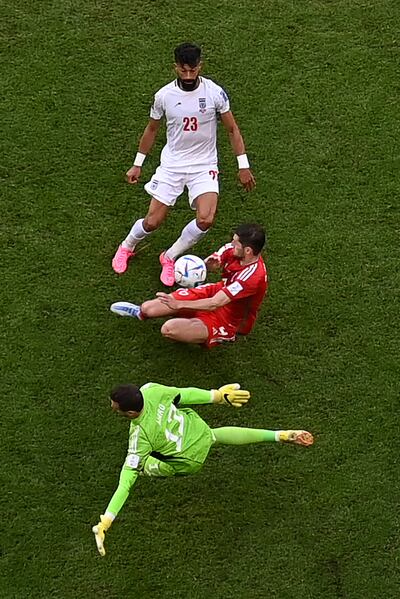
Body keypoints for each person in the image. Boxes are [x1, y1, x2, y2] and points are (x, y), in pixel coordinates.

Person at [92, 381, 314, 556]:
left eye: (116, 409)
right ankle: (279, 435)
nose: (113, 409)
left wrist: (106, 520)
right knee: (213, 435)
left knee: (139, 467)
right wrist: (217, 396)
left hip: (189, 461)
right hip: (198, 429)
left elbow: (125, 482)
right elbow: (184, 394)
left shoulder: (139, 437)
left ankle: (150, 468)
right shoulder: (151, 390)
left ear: (130, 414)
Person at [112, 42, 256, 286]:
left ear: (201, 66)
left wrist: (243, 165)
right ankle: (127, 246)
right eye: (184, 70)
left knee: (206, 219)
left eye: (193, 70)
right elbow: (152, 129)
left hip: (203, 165)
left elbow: (232, 129)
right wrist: (138, 164)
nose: (189, 75)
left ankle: (169, 257)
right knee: (153, 221)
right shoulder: (164, 96)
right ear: (175, 67)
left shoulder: (214, 93)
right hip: (173, 166)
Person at [110, 223, 268, 348]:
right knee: (147, 309)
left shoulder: (252, 277)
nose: (231, 244)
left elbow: (215, 304)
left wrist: (178, 304)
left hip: (229, 318)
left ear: (248, 251)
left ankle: (217, 335)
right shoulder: (232, 249)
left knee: (169, 329)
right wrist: (207, 265)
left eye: (236, 243)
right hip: (215, 291)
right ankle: (140, 313)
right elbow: (209, 265)